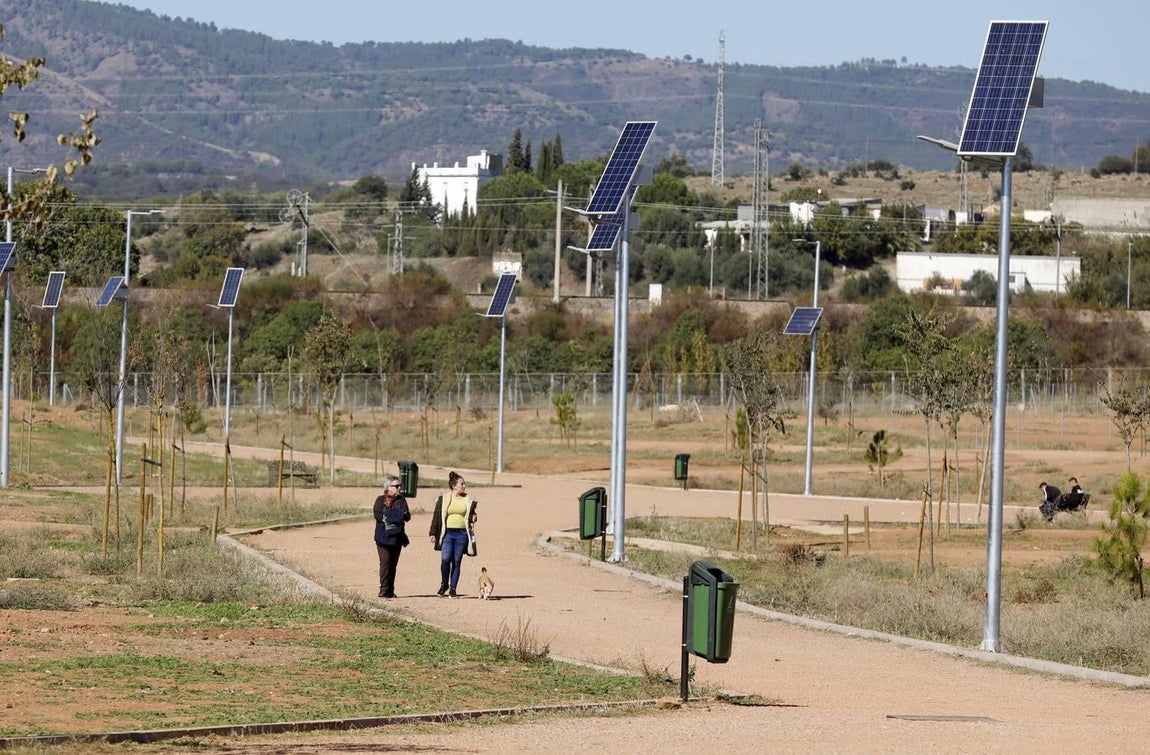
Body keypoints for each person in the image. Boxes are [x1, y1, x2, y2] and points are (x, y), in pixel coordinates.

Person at [429, 470, 478, 598]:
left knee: (456, 561)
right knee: (445, 560)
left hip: (462, 534)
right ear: (454, 486)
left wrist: (473, 517)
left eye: (464, 484)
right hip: (447, 533)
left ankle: (453, 588)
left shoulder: (469, 499)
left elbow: (471, 514)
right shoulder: (444, 498)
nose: (464, 486)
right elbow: (437, 516)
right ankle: (444, 584)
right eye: (462, 484)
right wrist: (433, 532)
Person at [373, 475, 411, 599]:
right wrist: (396, 516)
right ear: (388, 487)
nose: (399, 488)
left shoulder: (401, 500)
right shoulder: (380, 500)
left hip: (397, 538)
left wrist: (390, 516)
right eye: (396, 486)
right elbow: (378, 515)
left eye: (400, 486)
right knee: (385, 563)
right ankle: (383, 590)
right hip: (383, 538)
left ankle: (390, 590)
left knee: (393, 565)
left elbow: (407, 516)